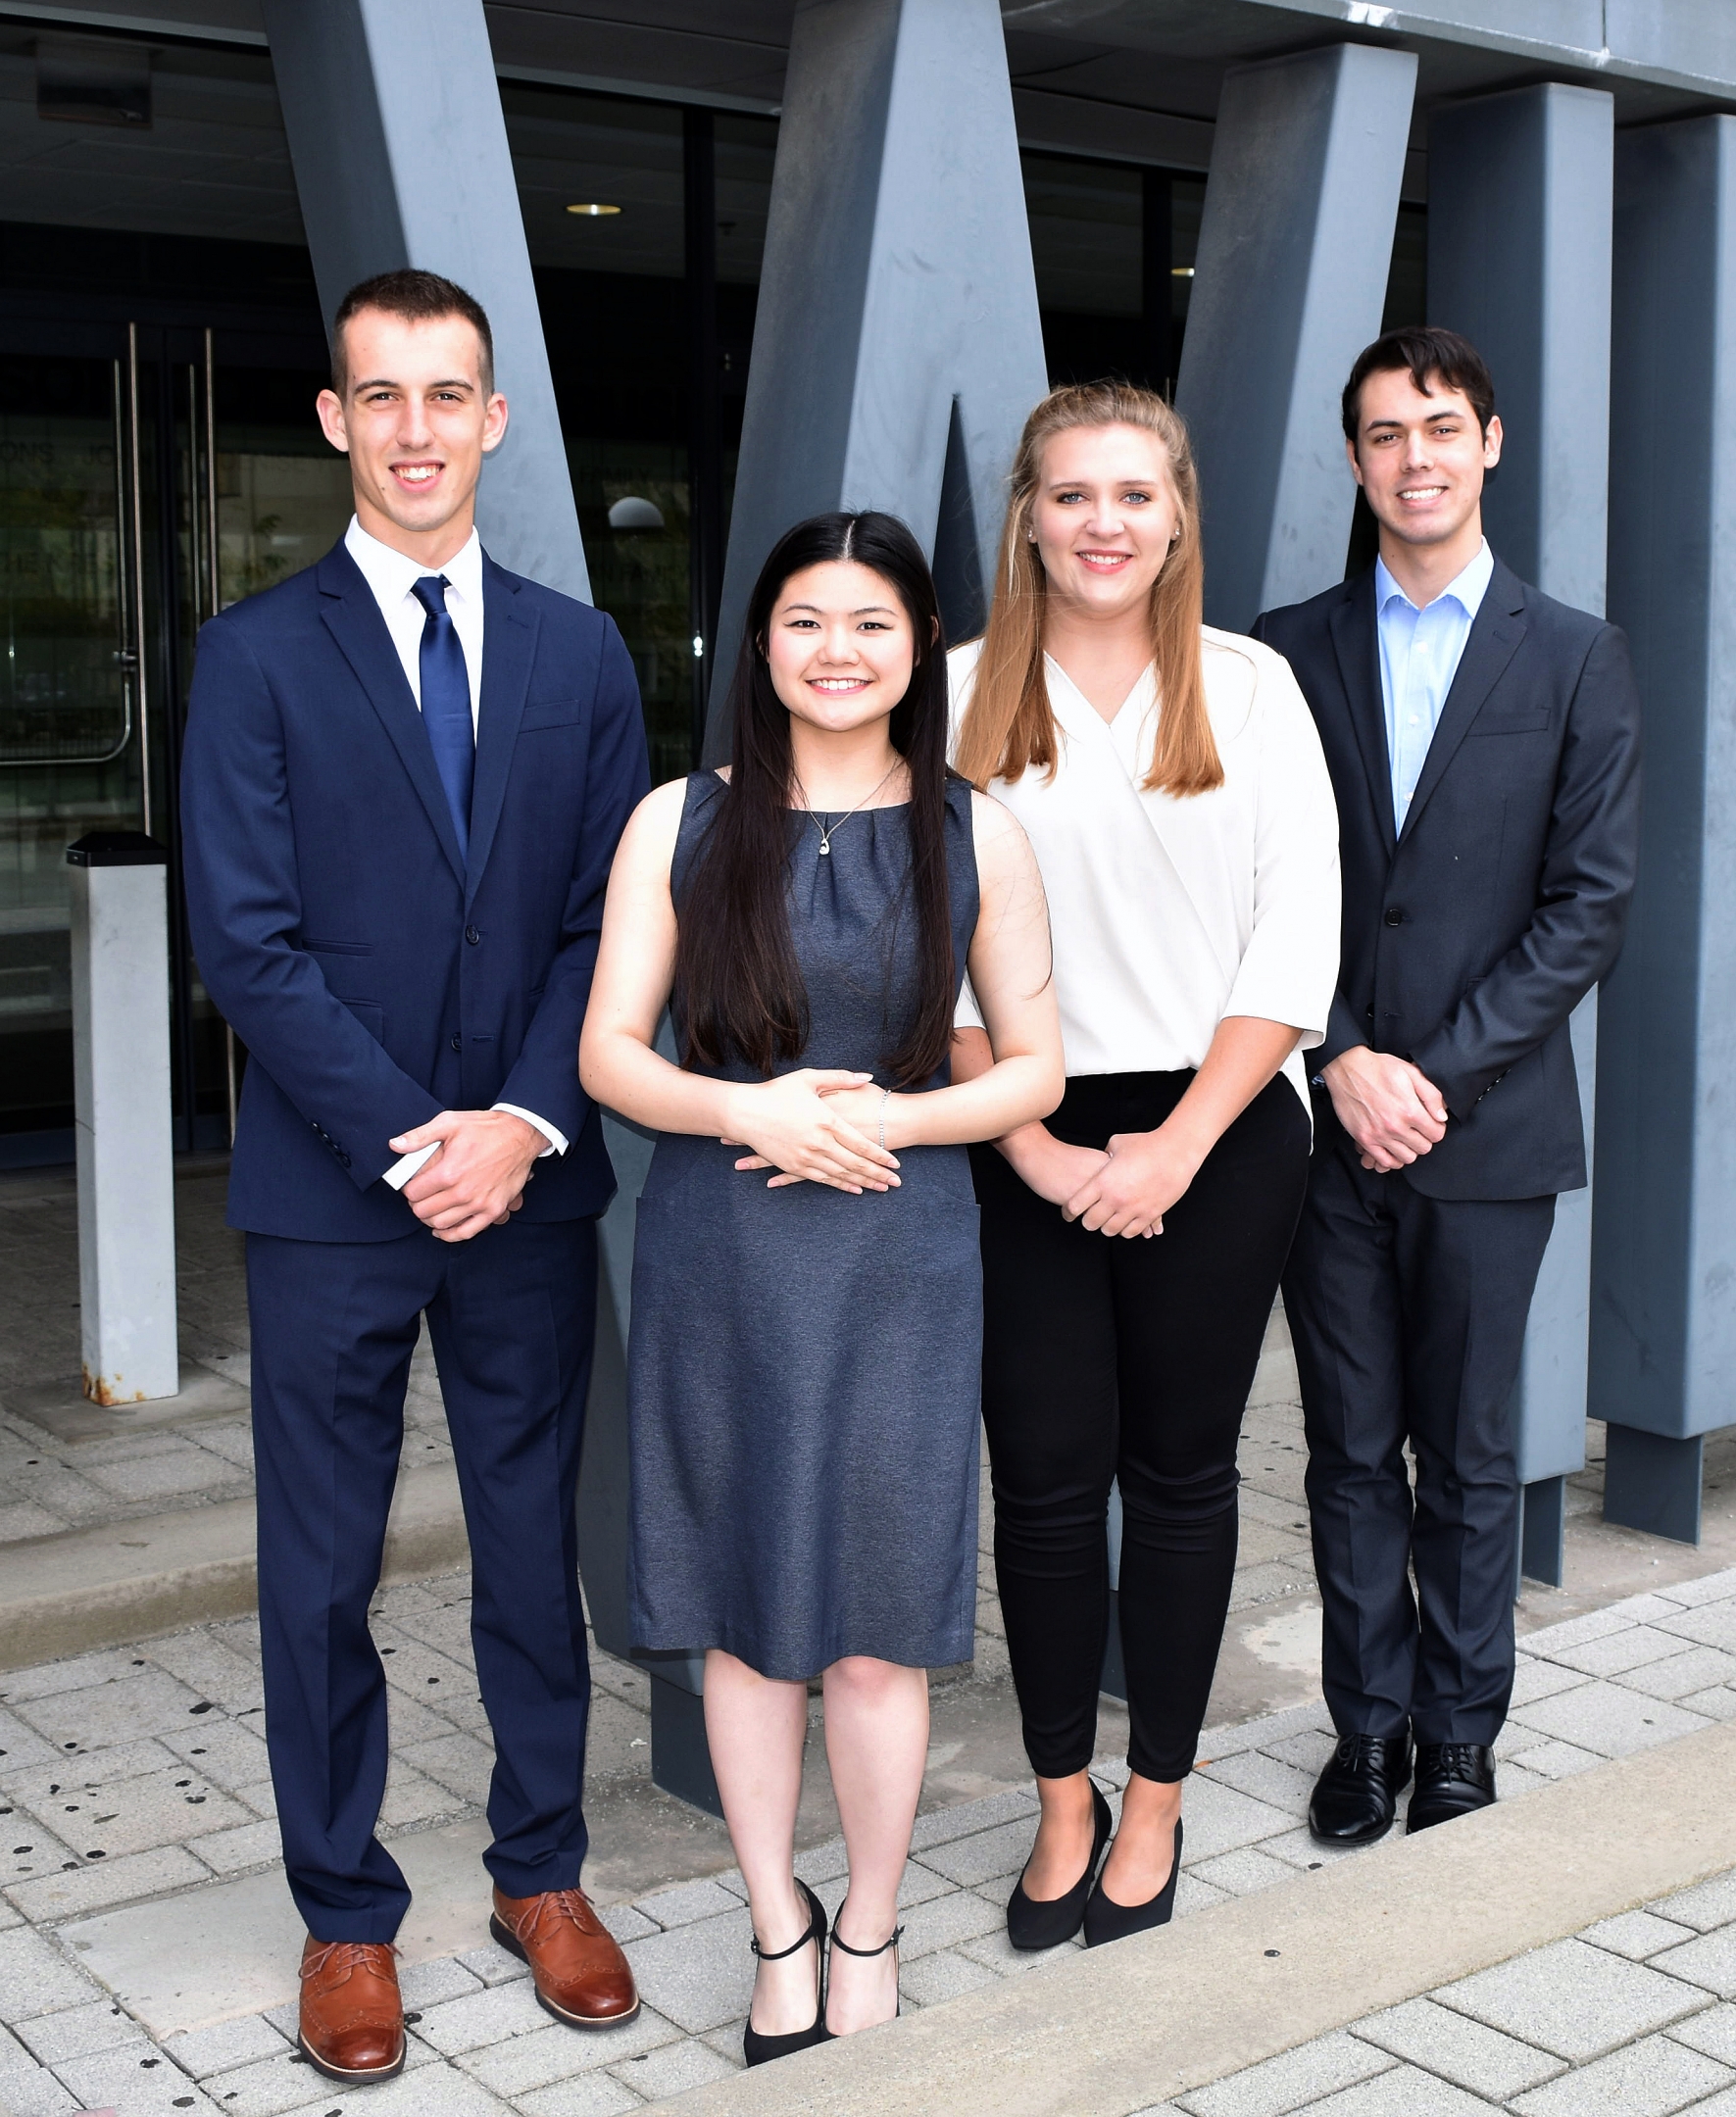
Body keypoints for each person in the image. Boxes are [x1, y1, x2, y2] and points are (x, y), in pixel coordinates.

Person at [180, 270, 649, 2086]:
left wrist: (518, 1125)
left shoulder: (579, 653)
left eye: (448, 397)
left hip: (526, 1186)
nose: (417, 431)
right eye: (382, 398)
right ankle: (345, 1914)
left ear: (496, 420)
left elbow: (602, 920)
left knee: (533, 1547)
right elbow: (249, 937)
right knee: (320, 1571)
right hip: (332, 1199)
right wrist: (414, 1138)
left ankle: (545, 1871)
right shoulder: (256, 654)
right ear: (335, 421)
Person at [580, 511, 1062, 2060]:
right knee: (742, 1620)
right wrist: (750, 1108)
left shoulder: (981, 832)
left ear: (919, 644)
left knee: (872, 1621)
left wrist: (888, 1120)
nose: (836, 651)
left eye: (870, 622)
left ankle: (869, 1919)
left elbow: (1037, 1068)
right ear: (758, 644)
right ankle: (771, 1923)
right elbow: (608, 1055)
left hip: (903, 1256)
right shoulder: (678, 824)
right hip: (722, 1253)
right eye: (803, 620)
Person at [949, 381, 1341, 1949]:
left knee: (1180, 1477)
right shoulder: (959, 691)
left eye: (1133, 493)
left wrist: (1177, 1143)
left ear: (1178, 513)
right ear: (1029, 519)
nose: (1101, 522)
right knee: (1042, 1486)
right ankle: (1063, 1802)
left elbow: (1292, 942)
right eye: (1071, 495)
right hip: (1010, 1123)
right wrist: (1036, 1149)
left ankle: (1159, 1797)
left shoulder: (1247, 692)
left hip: (1226, 1122)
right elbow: (929, 961)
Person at [1254, 326, 1641, 1846]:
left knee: (1470, 1452)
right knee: (1347, 1447)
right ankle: (1368, 1732)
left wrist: (1432, 1077)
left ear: (1488, 444)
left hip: (1485, 1135)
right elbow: (1267, 881)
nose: (1412, 457)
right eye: (1381, 434)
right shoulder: (1288, 649)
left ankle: (1462, 1732)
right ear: (1354, 464)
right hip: (1323, 1125)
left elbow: (1589, 905)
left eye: (1437, 427)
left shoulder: (1575, 653)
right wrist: (1341, 1055)